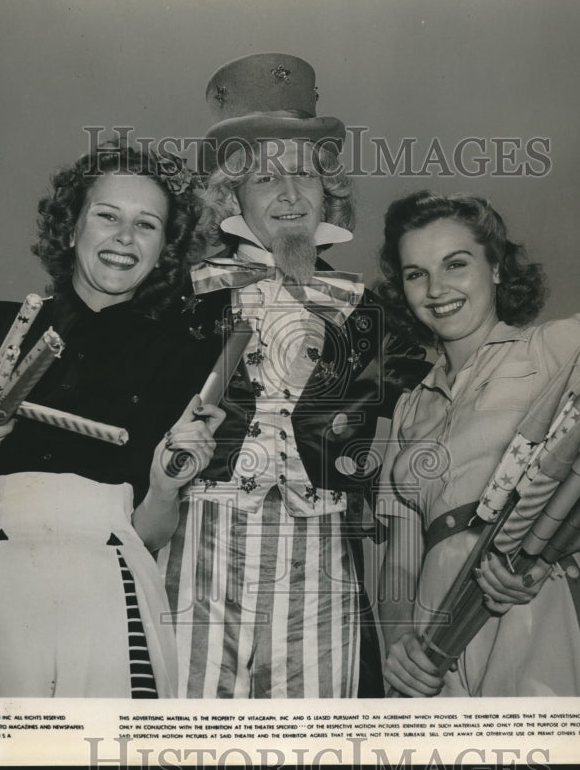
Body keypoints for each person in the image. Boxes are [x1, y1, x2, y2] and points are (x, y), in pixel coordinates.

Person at [0, 139, 224, 698]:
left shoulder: (185, 358)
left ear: (163, 248)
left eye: (147, 225)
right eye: (107, 216)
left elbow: (147, 532)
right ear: (71, 228)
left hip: (115, 586)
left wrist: (168, 487)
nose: (125, 237)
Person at [157, 53, 428, 698]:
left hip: (323, 553)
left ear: (328, 192)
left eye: (305, 175)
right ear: (231, 196)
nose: (288, 194)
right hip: (199, 546)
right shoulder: (178, 301)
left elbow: (443, 409)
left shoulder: (375, 317)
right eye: (265, 179)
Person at [375, 190, 580, 697]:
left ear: (498, 268)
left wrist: (539, 559)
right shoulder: (408, 406)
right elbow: (400, 557)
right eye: (416, 273)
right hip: (432, 641)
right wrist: (399, 641)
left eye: (455, 264)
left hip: (526, 601)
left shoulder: (557, 347)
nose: (436, 289)